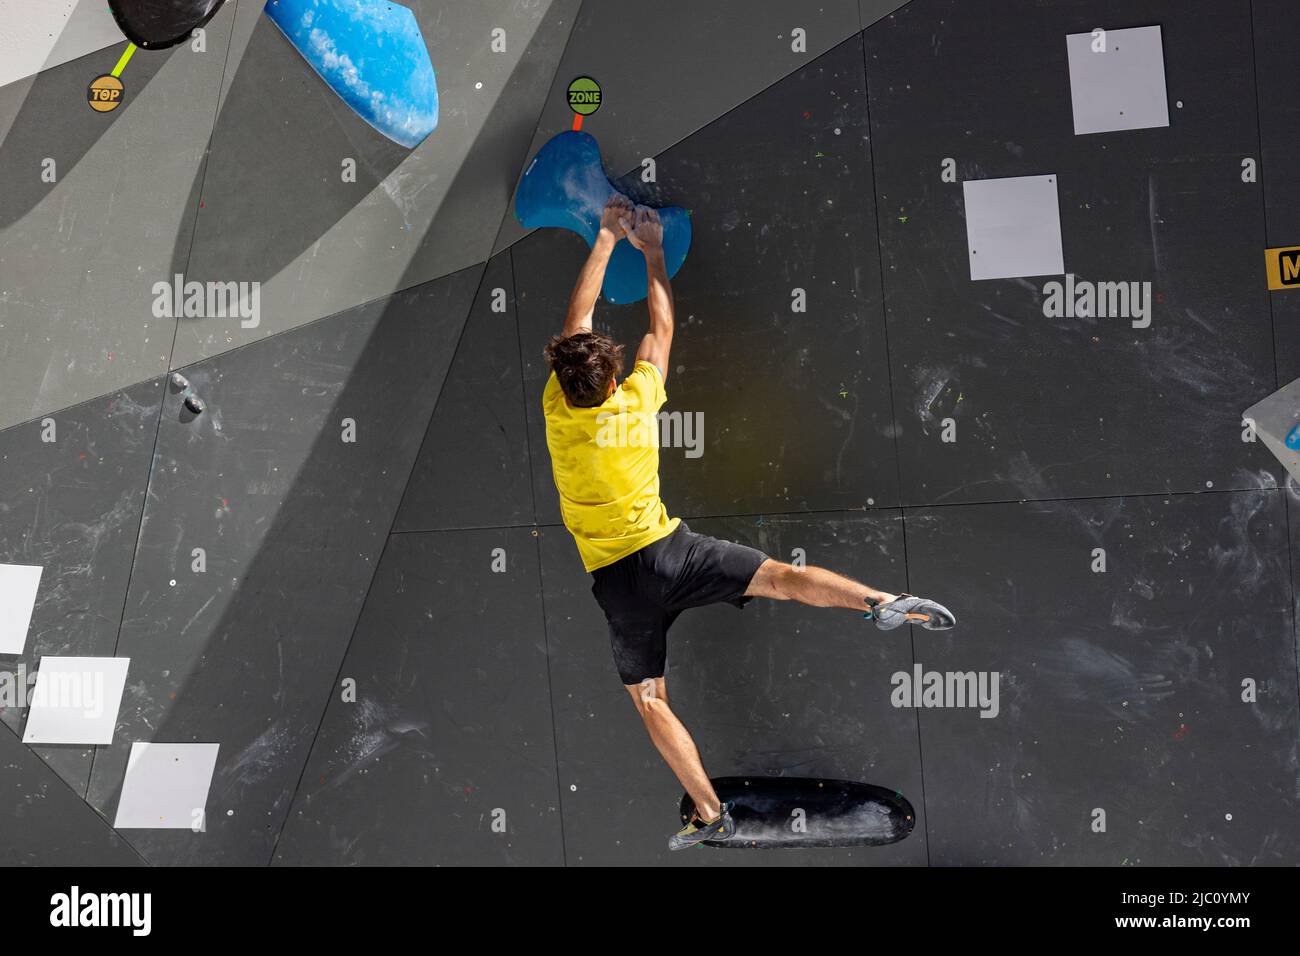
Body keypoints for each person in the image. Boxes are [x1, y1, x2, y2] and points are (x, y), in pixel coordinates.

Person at [541, 194, 955, 850]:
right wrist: (644, 248)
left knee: (650, 699)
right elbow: (660, 330)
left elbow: (575, 325)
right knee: (780, 579)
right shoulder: (639, 399)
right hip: (671, 553)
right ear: (614, 375)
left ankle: (709, 812)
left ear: (562, 381)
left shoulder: (559, 410)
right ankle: (879, 602)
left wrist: (600, 242)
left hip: (619, 588)